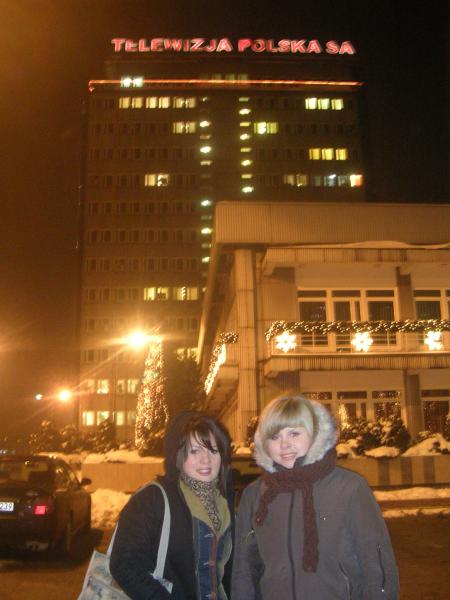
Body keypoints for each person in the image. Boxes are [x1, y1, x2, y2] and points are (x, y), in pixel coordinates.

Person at [232, 395, 399, 600]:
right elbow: (243, 568)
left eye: (294, 433)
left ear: (315, 433)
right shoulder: (254, 495)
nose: (284, 444)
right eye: (274, 437)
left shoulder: (350, 488)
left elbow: (376, 563)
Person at [110, 412, 234, 600]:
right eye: (195, 450)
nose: (206, 459)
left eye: (213, 450)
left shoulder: (224, 503)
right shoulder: (152, 500)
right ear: (177, 454)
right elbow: (124, 564)